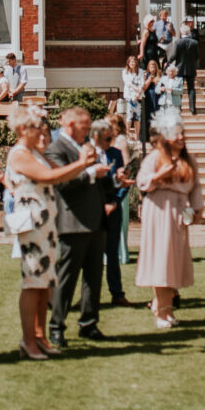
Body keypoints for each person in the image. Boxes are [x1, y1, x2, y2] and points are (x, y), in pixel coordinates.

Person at [5, 106, 99, 359]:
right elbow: (49, 176)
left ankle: (40, 336)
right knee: (33, 282)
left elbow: (58, 176)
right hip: (32, 225)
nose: (42, 132)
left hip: (46, 224)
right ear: (23, 129)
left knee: (45, 282)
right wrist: (82, 163)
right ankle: (28, 341)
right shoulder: (19, 154)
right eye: (36, 127)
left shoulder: (35, 152)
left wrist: (84, 163)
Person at [45, 107, 113, 346]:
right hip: (72, 222)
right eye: (85, 127)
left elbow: (94, 182)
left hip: (95, 220)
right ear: (71, 125)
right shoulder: (55, 149)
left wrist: (113, 180)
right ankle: (56, 326)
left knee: (94, 278)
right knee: (67, 278)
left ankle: (89, 323)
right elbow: (62, 183)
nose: (89, 132)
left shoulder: (86, 148)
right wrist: (92, 172)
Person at [135, 108, 205, 328]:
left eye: (183, 133)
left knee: (173, 261)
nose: (182, 138)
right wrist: (159, 175)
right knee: (160, 260)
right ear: (166, 136)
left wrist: (197, 209)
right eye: (177, 134)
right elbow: (142, 182)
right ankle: (161, 312)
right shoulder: (155, 157)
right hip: (158, 209)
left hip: (177, 212)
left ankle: (166, 309)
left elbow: (196, 187)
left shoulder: (189, 160)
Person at [94, 121, 131, 305]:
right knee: (91, 257)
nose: (111, 142)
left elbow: (124, 180)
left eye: (112, 138)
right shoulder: (87, 155)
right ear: (96, 137)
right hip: (92, 212)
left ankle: (117, 294)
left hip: (112, 210)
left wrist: (115, 202)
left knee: (113, 254)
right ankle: (90, 297)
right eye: (107, 138)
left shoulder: (115, 154)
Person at [109, 111, 134, 265]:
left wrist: (121, 178)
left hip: (119, 185)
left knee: (120, 221)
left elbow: (127, 164)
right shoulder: (110, 140)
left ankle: (121, 255)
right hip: (109, 184)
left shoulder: (121, 140)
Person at [174, 24, 200, 114]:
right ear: (189, 33)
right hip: (191, 68)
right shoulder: (194, 43)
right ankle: (192, 108)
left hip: (179, 68)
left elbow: (174, 55)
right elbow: (197, 56)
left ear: (181, 33)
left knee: (179, 88)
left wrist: (168, 62)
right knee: (191, 88)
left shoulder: (177, 43)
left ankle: (178, 107)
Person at [121, 55, 143, 123]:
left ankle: (137, 134)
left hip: (138, 96)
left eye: (133, 62)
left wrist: (138, 93)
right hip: (129, 96)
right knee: (129, 117)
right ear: (128, 63)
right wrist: (137, 89)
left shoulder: (140, 71)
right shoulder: (125, 72)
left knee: (138, 117)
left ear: (136, 62)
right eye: (130, 62)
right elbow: (128, 83)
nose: (132, 63)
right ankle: (128, 133)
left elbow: (142, 82)